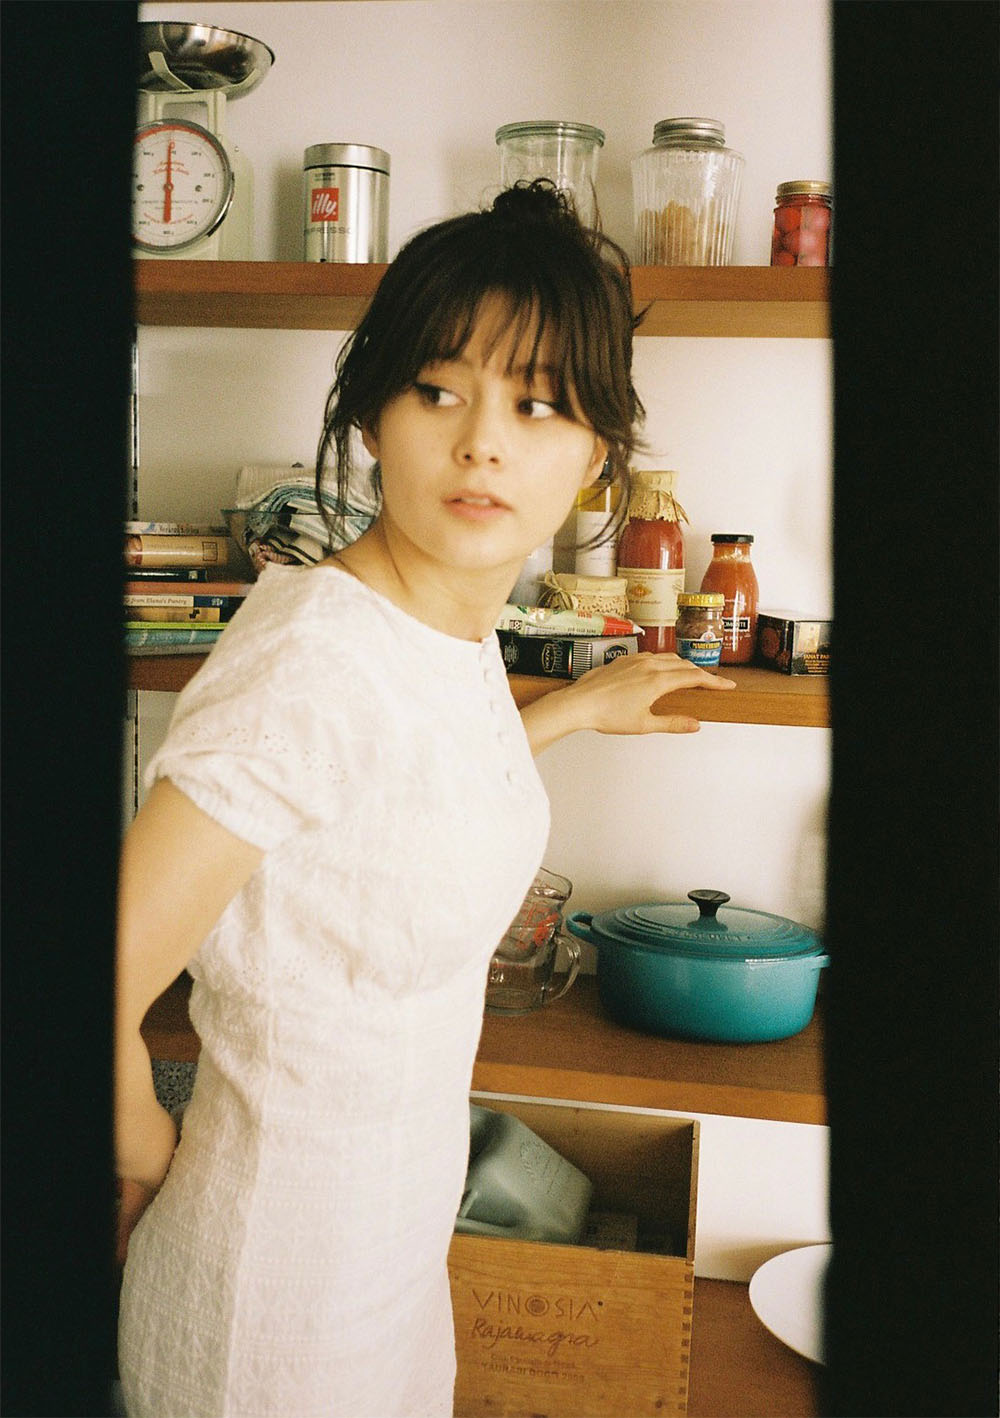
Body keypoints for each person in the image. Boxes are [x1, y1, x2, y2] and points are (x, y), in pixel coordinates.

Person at [115, 181, 734, 1418]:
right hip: (267, 1308)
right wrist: (150, 1151)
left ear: (595, 453)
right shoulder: (308, 662)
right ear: (371, 415)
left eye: (536, 402)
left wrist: (571, 709)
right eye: (437, 390)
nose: (482, 442)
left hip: (389, 1267)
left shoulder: (442, 625)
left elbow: (393, 782)